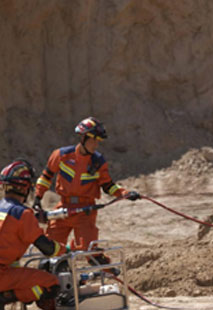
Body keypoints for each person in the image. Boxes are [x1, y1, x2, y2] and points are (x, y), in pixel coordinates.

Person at [34, 117, 140, 265]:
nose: (97, 145)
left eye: (98, 141)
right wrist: (37, 198)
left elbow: (108, 185)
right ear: (84, 138)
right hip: (63, 208)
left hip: (85, 211)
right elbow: (46, 177)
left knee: (88, 251)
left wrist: (124, 193)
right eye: (94, 140)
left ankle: (103, 266)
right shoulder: (61, 155)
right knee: (51, 248)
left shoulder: (98, 162)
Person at [0, 160, 69, 310]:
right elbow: (48, 249)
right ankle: (6, 297)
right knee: (51, 283)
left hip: (4, 270)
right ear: (25, 188)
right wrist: (66, 249)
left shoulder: (2, 209)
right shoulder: (24, 215)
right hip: (1, 275)